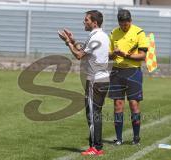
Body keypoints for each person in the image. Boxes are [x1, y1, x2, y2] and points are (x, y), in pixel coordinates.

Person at [58, 10, 110, 155]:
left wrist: (68, 42)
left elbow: (79, 55)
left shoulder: (95, 37)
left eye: (86, 20)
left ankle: (96, 147)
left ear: (94, 23)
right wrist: (73, 41)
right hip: (103, 79)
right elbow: (85, 50)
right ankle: (97, 146)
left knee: (93, 114)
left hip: (95, 80)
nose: (84, 22)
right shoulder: (102, 35)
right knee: (96, 113)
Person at [108, 9, 149, 145]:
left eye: (126, 24)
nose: (124, 26)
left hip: (133, 72)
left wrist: (126, 55)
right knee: (118, 105)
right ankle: (119, 139)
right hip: (117, 72)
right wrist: (114, 54)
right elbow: (108, 55)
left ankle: (136, 138)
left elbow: (142, 55)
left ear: (130, 21)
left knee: (133, 104)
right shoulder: (114, 33)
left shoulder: (139, 32)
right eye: (122, 24)